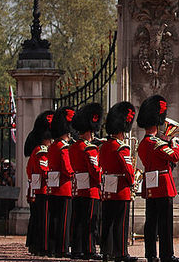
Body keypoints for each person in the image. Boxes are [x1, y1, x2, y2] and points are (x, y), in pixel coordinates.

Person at [137, 95, 179, 262]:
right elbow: (176, 156)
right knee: (165, 223)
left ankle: (150, 254)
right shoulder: (157, 143)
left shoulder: (143, 144)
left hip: (150, 185)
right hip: (163, 185)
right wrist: (175, 142)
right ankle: (166, 254)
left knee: (151, 222)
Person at [100, 101, 137, 262]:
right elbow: (128, 170)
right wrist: (132, 182)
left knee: (107, 221)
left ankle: (106, 252)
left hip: (108, 186)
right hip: (121, 188)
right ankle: (121, 252)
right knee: (120, 222)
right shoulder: (122, 147)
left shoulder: (105, 146)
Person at [70, 102, 103, 260]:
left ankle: (76, 249)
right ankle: (89, 249)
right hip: (90, 189)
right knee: (90, 221)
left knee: (77, 220)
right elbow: (95, 171)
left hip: (77, 188)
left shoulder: (73, 147)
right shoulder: (90, 148)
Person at [46, 106, 76, 258]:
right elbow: (67, 168)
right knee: (64, 220)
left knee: (54, 219)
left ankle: (52, 247)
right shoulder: (63, 147)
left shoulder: (52, 146)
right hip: (64, 187)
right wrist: (74, 174)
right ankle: (62, 248)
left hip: (53, 187)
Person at [25, 110, 53, 256]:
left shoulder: (38, 150)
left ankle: (36, 245)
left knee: (37, 219)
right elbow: (45, 171)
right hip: (43, 190)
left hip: (37, 190)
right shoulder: (42, 151)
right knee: (42, 220)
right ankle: (41, 246)